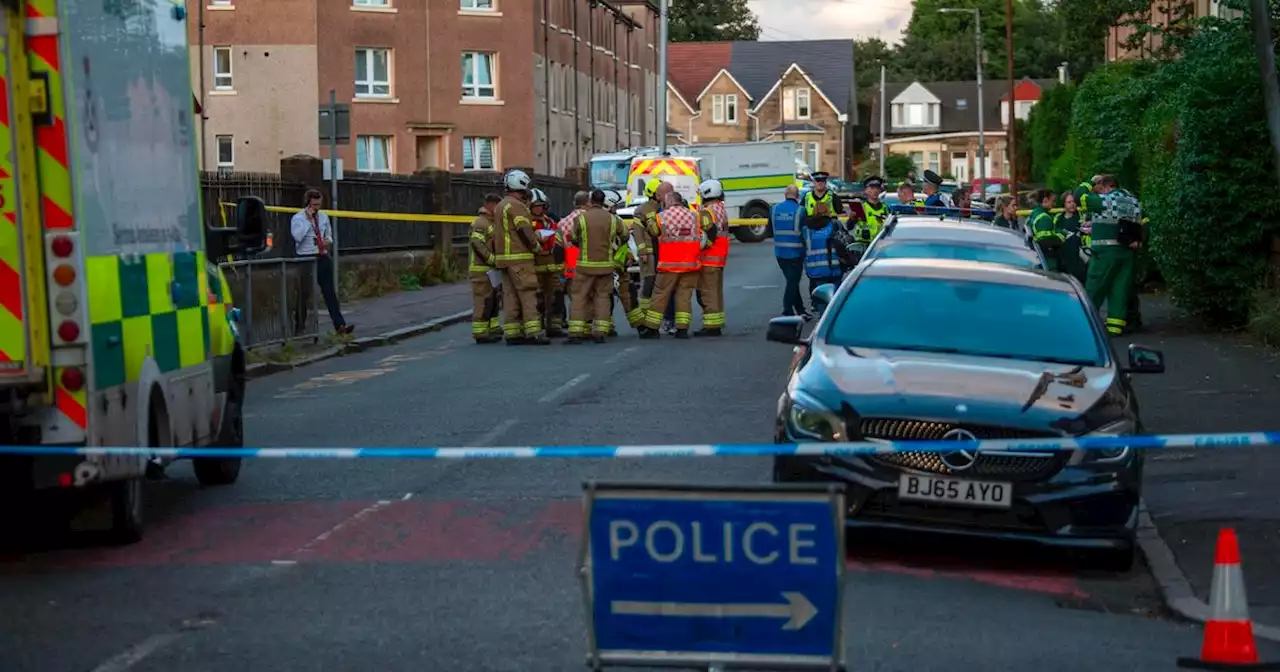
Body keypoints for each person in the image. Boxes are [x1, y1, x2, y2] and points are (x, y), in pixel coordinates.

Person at [493, 169, 549, 345]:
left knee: (510, 296)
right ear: (522, 185)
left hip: (504, 259)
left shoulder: (501, 205)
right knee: (527, 294)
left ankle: (512, 333)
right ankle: (533, 332)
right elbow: (524, 230)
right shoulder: (517, 206)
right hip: (520, 258)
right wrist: (536, 245)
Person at [1081, 174, 1142, 336]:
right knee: (1119, 291)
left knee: (1095, 288)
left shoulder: (1105, 200)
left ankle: (1084, 324)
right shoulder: (1133, 201)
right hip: (1127, 253)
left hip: (1105, 253)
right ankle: (1114, 328)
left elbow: (1079, 196)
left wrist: (1090, 181)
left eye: (1100, 188)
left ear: (1107, 186)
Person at [565, 189, 625, 344]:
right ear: (604, 201)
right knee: (602, 297)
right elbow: (624, 235)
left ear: (591, 201)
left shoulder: (582, 218)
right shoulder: (613, 219)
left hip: (585, 266)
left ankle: (576, 333)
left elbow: (573, 237)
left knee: (579, 297)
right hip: (605, 266)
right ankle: (600, 332)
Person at [290, 189, 353, 335]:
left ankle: (340, 326)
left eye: (319, 204)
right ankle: (299, 326)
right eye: (314, 205)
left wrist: (327, 241)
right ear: (308, 204)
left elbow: (329, 235)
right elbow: (297, 237)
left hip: (322, 256)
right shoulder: (298, 218)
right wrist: (309, 221)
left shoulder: (323, 217)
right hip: (305, 258)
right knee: (303, 294)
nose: (317, 208)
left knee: (330, 292)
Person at [642, 191, 702, 339]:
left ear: (668, 202)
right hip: (690, 263)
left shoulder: (662, 216)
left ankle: (652, 328)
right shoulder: (694, 216)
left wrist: (650, 221)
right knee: (684, 297)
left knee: (660, 295)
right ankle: (682, 329)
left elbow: (654, 232)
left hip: (669, 264)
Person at [466, 193, 503, 344]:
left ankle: (493, 328)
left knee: (493, 300)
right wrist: (492, 260)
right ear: (490, 205)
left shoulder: (491, 222)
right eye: (497, 206)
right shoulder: (480, 223)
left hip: (491, 270)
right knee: (483, 301)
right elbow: (478, 245)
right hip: (481, 270)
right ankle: (480, 333)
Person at [529, 188, 566, 338]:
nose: (539, 208)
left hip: (551, 266)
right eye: (536, 205)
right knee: (537, 299)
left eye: (541, 205)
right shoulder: (526, 223)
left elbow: (558, 241)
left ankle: (554, 327)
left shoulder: (549, 222)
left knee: (557, 296)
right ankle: (538, 328)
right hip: (535, 267)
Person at [694, 178, 728, 337]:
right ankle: (717, 322)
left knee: (708, 292)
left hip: (709, 257)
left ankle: (711, 326)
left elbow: (710, 233)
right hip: (720, 257)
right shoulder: (721, 209)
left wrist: (703, 245)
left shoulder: (707, 211)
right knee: (716, 291)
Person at [632, 178, 667, 315]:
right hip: (649, 252)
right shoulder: (642, 210)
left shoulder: (664, 208)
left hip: (662, 251)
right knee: (648, 282)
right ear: (654, 194)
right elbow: (638, 234)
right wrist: (643, 253)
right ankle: (644, 313)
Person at [770, 185, 807, 318]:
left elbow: (770, 231)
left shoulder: (774, 209)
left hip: (780, 252)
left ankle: (800, 310)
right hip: (796, 252)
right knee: (793, 281)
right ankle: (787, 309)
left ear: (785, 194)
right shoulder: (801, 210)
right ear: (797, 196)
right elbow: (805, 233)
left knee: (792, 281)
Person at [802, 198, 844, 289]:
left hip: (813, 270)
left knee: (818, 296)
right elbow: (844, 244)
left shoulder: (806, 229)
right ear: (827, 210)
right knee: (834, 297)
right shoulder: (834, 224)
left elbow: (803, 247)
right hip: (833, 269)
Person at [1055, 191, 1089, 284]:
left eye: (1073, 202)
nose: (1072, 204)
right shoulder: (1058, 219)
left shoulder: (1081, 216)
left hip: (1081, 259)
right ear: (1064, 204)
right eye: (1069, 202)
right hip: (1064, 259)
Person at [1028, 189, 1065, 272]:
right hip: (1048, 259)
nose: (1054, 204)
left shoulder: (1035, 212)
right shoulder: (1044, 218)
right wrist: (1062, 235)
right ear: (1045, 200)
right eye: (1053, 201)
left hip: (1039, 257)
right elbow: (1045, 240)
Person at [856, 176, 890, 244]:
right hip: (863, 244)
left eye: (877, 188)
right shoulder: (861, 207)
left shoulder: (885, 208)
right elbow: (849, 226)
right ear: (865, 190)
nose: (875, 191)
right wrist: (852, 218)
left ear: (880, 190)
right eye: (872, 188)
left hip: (880, 243)